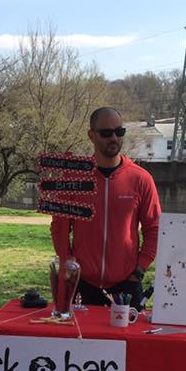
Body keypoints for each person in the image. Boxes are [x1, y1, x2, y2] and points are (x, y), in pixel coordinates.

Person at [50, 107, 161, 308]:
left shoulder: (141, 179)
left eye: (119, 132)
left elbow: (155, 229)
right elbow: (59, 228)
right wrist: (68, 265)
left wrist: (139, 271)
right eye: (106, 133)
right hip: (81, 285)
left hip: (126, 286)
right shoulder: (72, 178)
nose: (114, 138)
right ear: (91, 136)